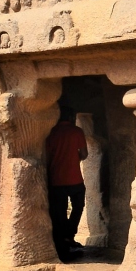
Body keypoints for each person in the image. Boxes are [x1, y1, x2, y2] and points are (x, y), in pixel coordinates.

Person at [45, 107, 88, 262]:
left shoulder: (52, 132)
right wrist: (73, 158)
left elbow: (47, 155)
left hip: (56, 179)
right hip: (75, 178)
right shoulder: (77, 132)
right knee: (78, 207)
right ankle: (69, 235)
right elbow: (84, 154)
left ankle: (63, 239)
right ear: (71, 116)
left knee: (60, 212)